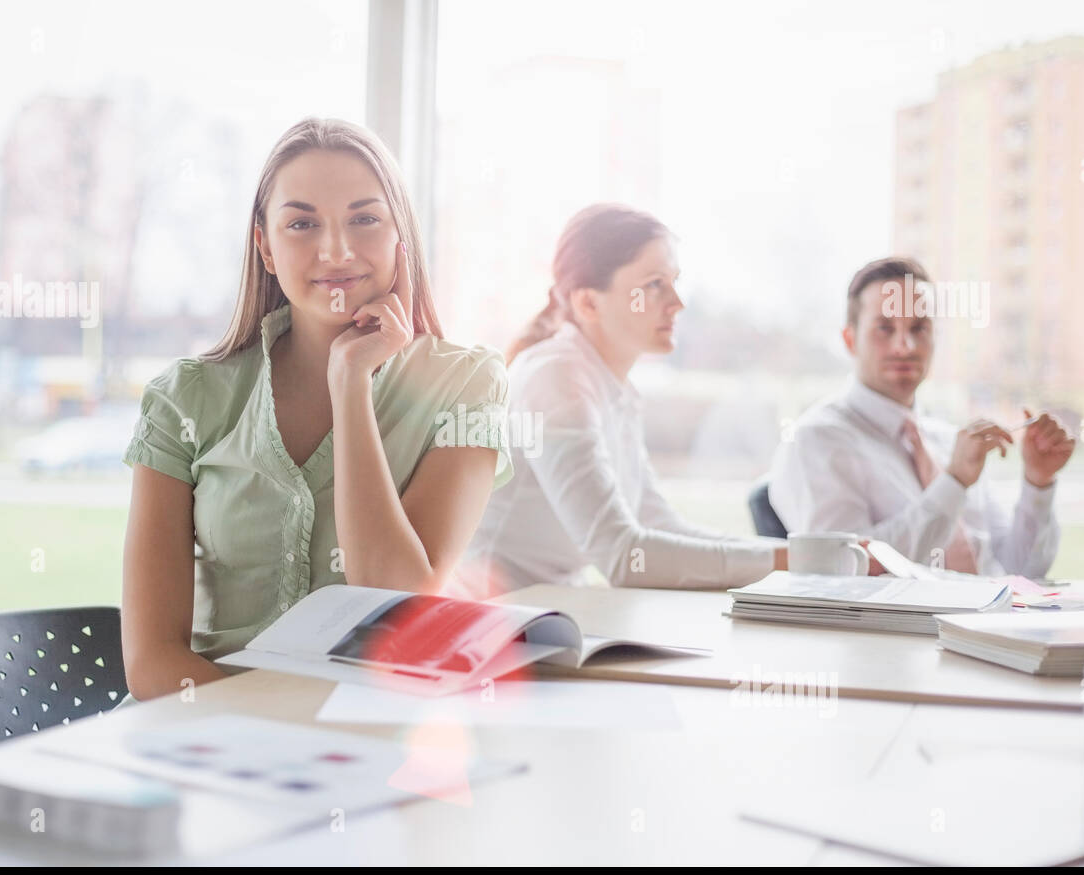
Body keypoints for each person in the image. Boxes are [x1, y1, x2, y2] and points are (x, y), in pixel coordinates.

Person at [120, 118, 513, 701]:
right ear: (266, 247)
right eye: (302, 223)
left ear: (399, 238)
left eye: (364, 219)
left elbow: (399, 601)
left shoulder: (465, 386)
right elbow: (153, 664)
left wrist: (350, 385)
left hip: (370, 743)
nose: (336, 250)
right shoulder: (186, 398)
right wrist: (279, 736)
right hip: (203, 740)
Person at [457, 203, 786, 597]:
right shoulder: (556, 378)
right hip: (495, 625)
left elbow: (658, 524)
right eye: (653, 285)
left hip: (552, 614)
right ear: (588, 304)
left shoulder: (613, 388)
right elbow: (623, 555)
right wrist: (786, 563)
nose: (677, 303)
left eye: (675, 281)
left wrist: (798, 556)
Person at [768, 256, 1075, 577]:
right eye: (885, 328)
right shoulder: (816, 441)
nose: (906, 345)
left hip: (994, 619)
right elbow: (843, 569)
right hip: (906, 628)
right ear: (850, 339)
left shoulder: (949, 441)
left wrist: (1038, 482)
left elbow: (1022, 572)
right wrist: (953, 482)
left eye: (920, 327)